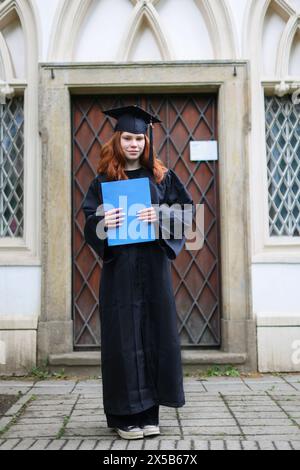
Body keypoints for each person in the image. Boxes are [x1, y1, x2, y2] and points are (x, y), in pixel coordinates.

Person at [82, 105, 195, 440]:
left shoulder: (162, 177)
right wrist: (104, 222)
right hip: (120, 274)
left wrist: (158, 215)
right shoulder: (104, 182)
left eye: (139, 138)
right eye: (128, 138)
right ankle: (124, 417)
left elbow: (191, 216)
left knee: (154, 335)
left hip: (153, 271)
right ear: (118, 140)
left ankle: (149, 414)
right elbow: (89, 224)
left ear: (147, 142)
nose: (134, 144)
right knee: (123, 339)